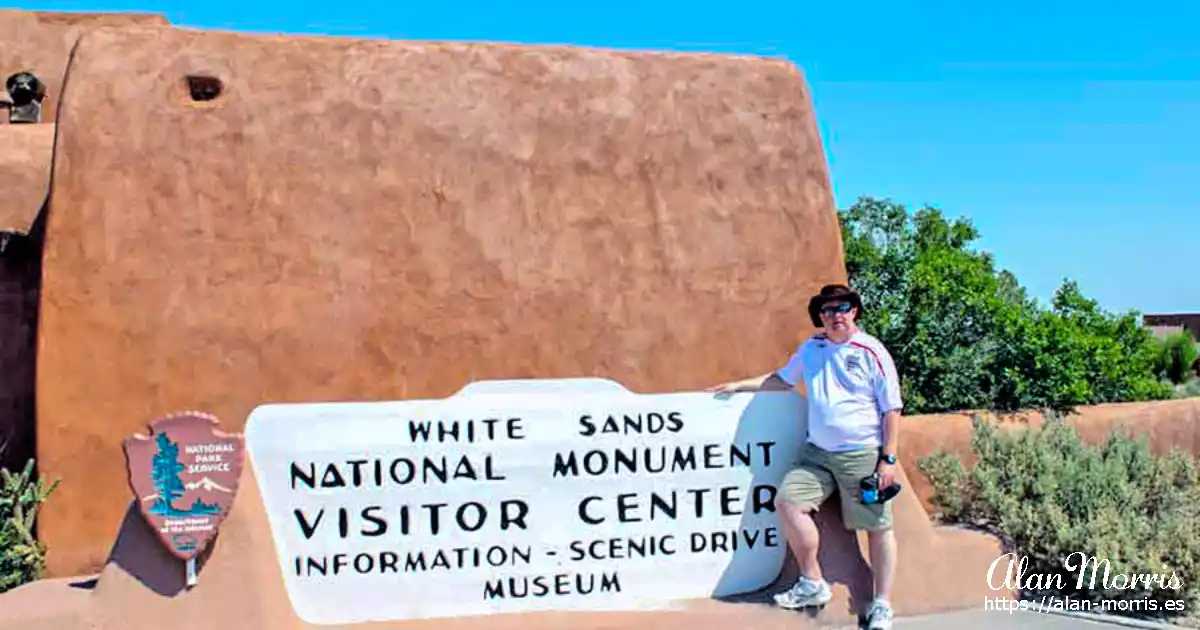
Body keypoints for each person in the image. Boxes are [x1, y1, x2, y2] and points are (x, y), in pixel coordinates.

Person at [707, 283, 902, 630]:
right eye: (827, 310)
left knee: (877, 527)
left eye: (841, 307)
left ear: (853, 311)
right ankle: (813, 582)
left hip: (861, 453)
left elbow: (891, 409)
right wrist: (738, 385)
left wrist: (887, 459)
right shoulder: (812, 349)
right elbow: (782, 380)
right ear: (820, 316)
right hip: (817, 453)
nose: (835, 315)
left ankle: (882, 604)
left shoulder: (871, 351)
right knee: (788, 502)